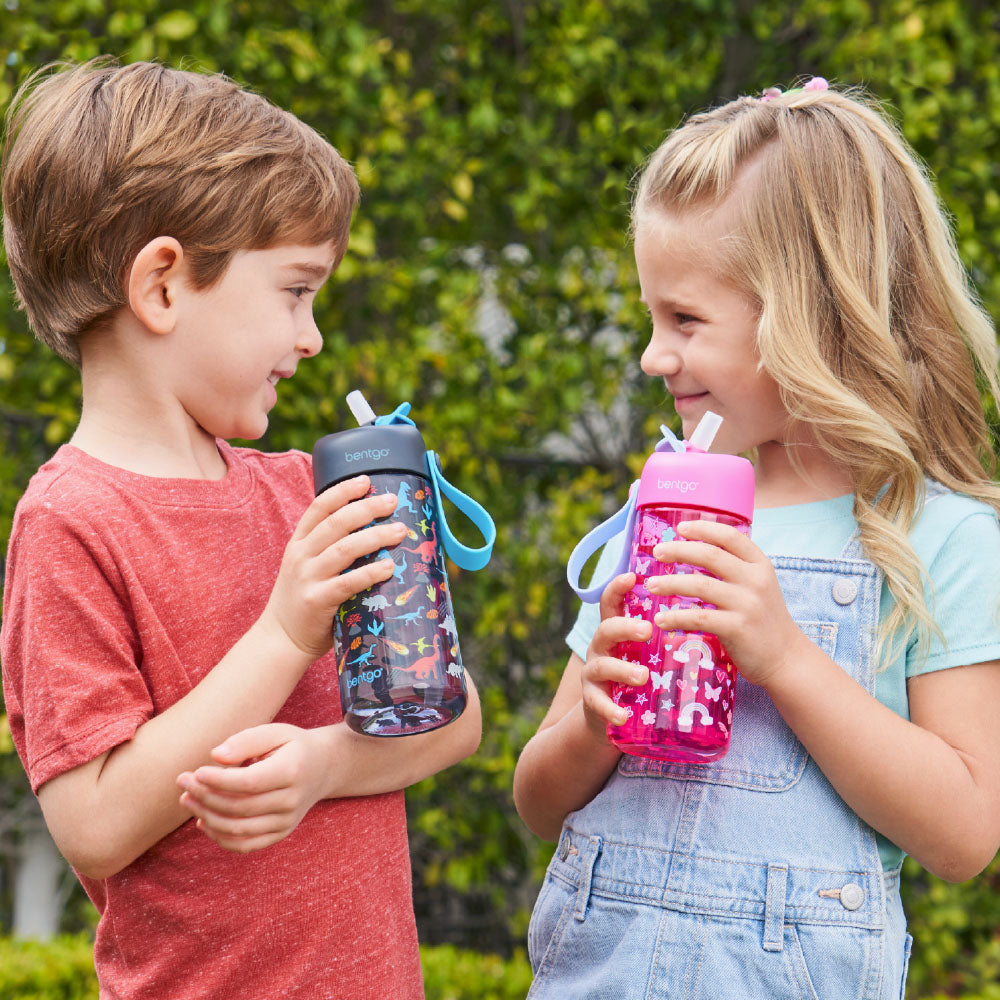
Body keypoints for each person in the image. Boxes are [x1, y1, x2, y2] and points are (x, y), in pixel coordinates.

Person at [0, 59, 481, 999]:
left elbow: (452, 717)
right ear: (165, 287)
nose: (312, 338)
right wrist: (283, 634)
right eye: (295, 292)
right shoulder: (69, 525)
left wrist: (326, 764)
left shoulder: (308, 492)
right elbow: (93, 824)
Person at [513, 78, 1000, 999]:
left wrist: (786, 658)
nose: (654, 357)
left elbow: (966, 834)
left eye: (685, 320)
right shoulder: (661, 512)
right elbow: (540, 802)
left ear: (807, 316)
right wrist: (592, 726)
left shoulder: (940, 536)